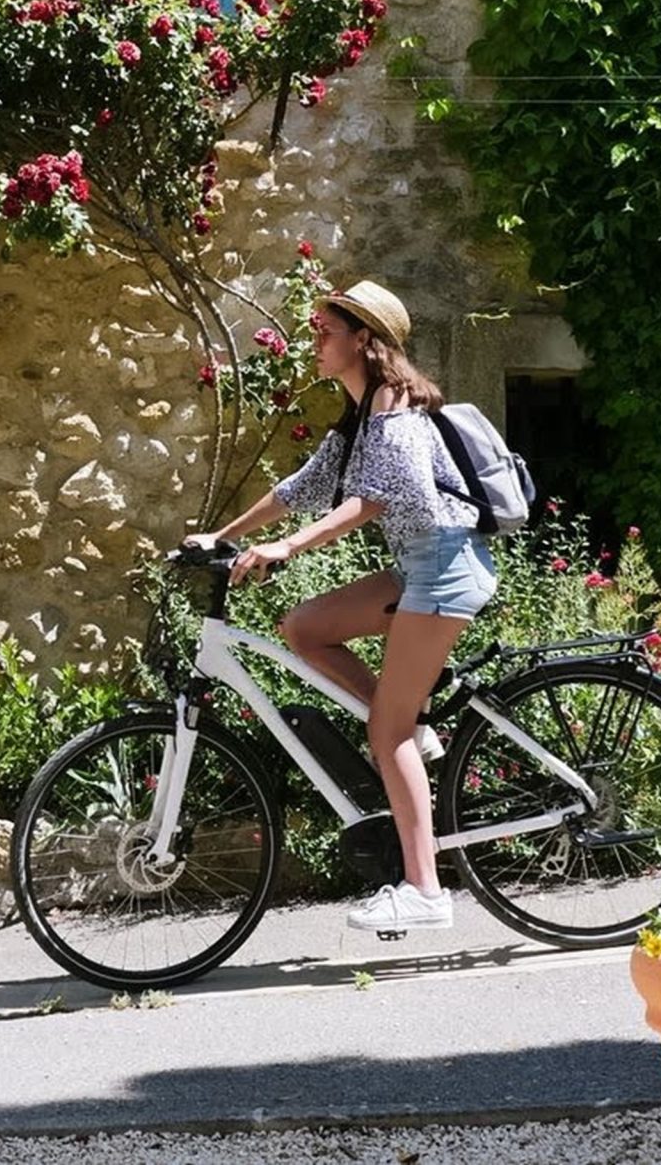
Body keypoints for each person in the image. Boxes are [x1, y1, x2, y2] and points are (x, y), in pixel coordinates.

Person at [185, 280, 496, 932]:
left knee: (382, 732)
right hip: (418, 568)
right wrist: (222, 536)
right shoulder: (359, 416)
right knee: (304, 627)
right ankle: (410, 729)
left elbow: (379, 497)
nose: (315, 340)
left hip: (442, 569)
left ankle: (425, 891)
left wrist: (288, 548)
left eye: (326, 330)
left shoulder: (397, 403)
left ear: (364, 338)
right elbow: (303, 488)